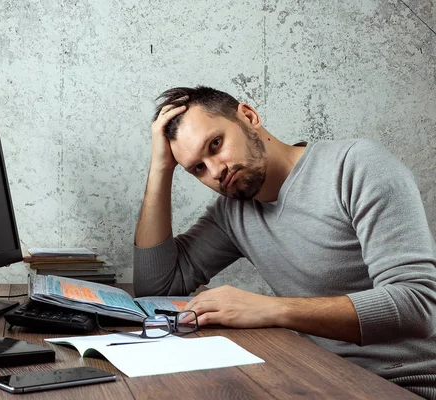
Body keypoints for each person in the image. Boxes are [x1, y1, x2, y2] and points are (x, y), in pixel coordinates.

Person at [133, 86, 436, 398]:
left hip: (405, 384)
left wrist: (269, 309)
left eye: (216, 144)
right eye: (197, 168)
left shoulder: (357, 167)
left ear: (249, 117)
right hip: (315, 376)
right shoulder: (233, 212)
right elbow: (156, 287)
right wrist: (161, 168)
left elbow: (418, 305)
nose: (216, 171)